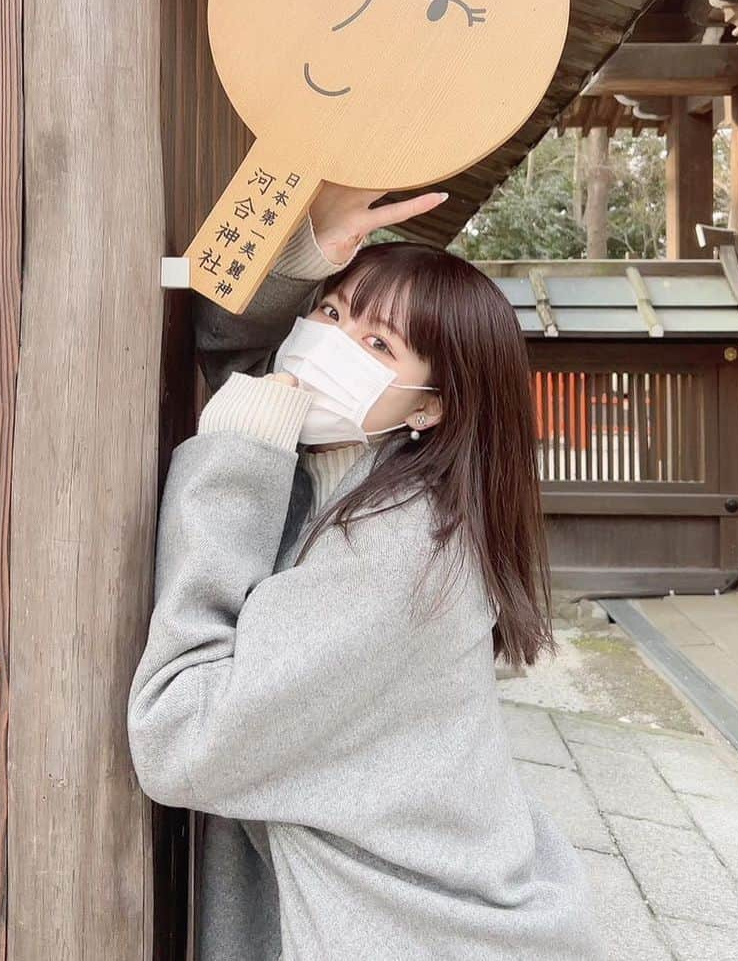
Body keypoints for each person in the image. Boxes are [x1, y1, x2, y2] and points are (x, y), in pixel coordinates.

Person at [127, 184, 604, 960]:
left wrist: (231, 465)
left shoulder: (395, 554)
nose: (330, 347)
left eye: (377, 346)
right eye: (330, 312)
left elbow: (181, 739)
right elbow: (228, 349)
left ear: (428, 408)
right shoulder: (370, 466)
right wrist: (310, 248)